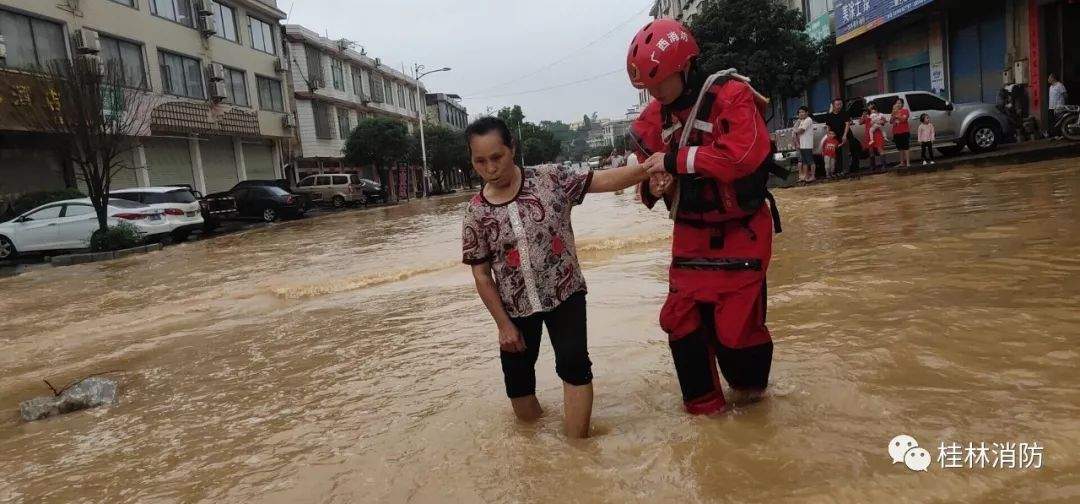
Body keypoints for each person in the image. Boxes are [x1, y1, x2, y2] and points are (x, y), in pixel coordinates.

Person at [626, 18, 784, 415]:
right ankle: (704, 416)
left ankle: (754, 410)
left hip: (742, 232)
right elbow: (644, 180)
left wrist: (676, 161)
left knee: (735, 331)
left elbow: (741, 157)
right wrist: (653, 185)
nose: (653, 94)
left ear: (685, 66)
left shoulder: (732, 96)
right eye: (646, 86)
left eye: (658, 83)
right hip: (691, 235)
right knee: (679, 322)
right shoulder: (652, 120)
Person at [462, 117, 647, 439]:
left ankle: (577, 450)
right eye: (480, 161)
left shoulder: (551, 179)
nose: (490, 167)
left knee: (574, 366)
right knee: (518, 387)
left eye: (497, 157)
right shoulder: (475, 213)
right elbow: (481, 274)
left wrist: (649, 168)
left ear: (512, 150)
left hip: (566, 293)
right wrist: (503, 325)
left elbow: (604, 181)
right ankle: (537, 449)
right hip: (514, 310)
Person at [824, 98, 858, 174]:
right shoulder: (829, 115)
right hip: (835, 137)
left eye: (840, 104)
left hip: (845, 135)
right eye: (837, 104)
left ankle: (846, 170)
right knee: (837, 153)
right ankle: (838, 170)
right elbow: (828, 126)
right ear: (833, 105)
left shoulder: (844, 113)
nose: (839, 106)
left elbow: (847, 124)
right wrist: (828, 135)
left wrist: (845, 135)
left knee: (845, 153)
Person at [794, 106, 815, 183]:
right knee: (805, 162)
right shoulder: (802, 121)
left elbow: (801, 131)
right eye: (799, 112)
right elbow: (797, 130)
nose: (801, 114)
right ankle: (805, 176)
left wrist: (796, 131)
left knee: (810, 161)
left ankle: (813, 176)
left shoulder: (808, 120)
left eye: (803, 112)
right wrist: (796, 131)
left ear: (807, 112)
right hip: (802, 144)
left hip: (807, 144)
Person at [891, 98, 911, 168]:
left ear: (902, 104)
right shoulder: (894, 111)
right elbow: (891, 121)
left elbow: (904, 119)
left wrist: (896, 115)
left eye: (899, 103)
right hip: (896, 132)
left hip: (904, 131)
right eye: (897, 103)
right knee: (900, 148)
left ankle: (908, 163)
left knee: (906, 147)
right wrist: (893, 114)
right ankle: (902, 162)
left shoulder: (905, 111)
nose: (898, 104)